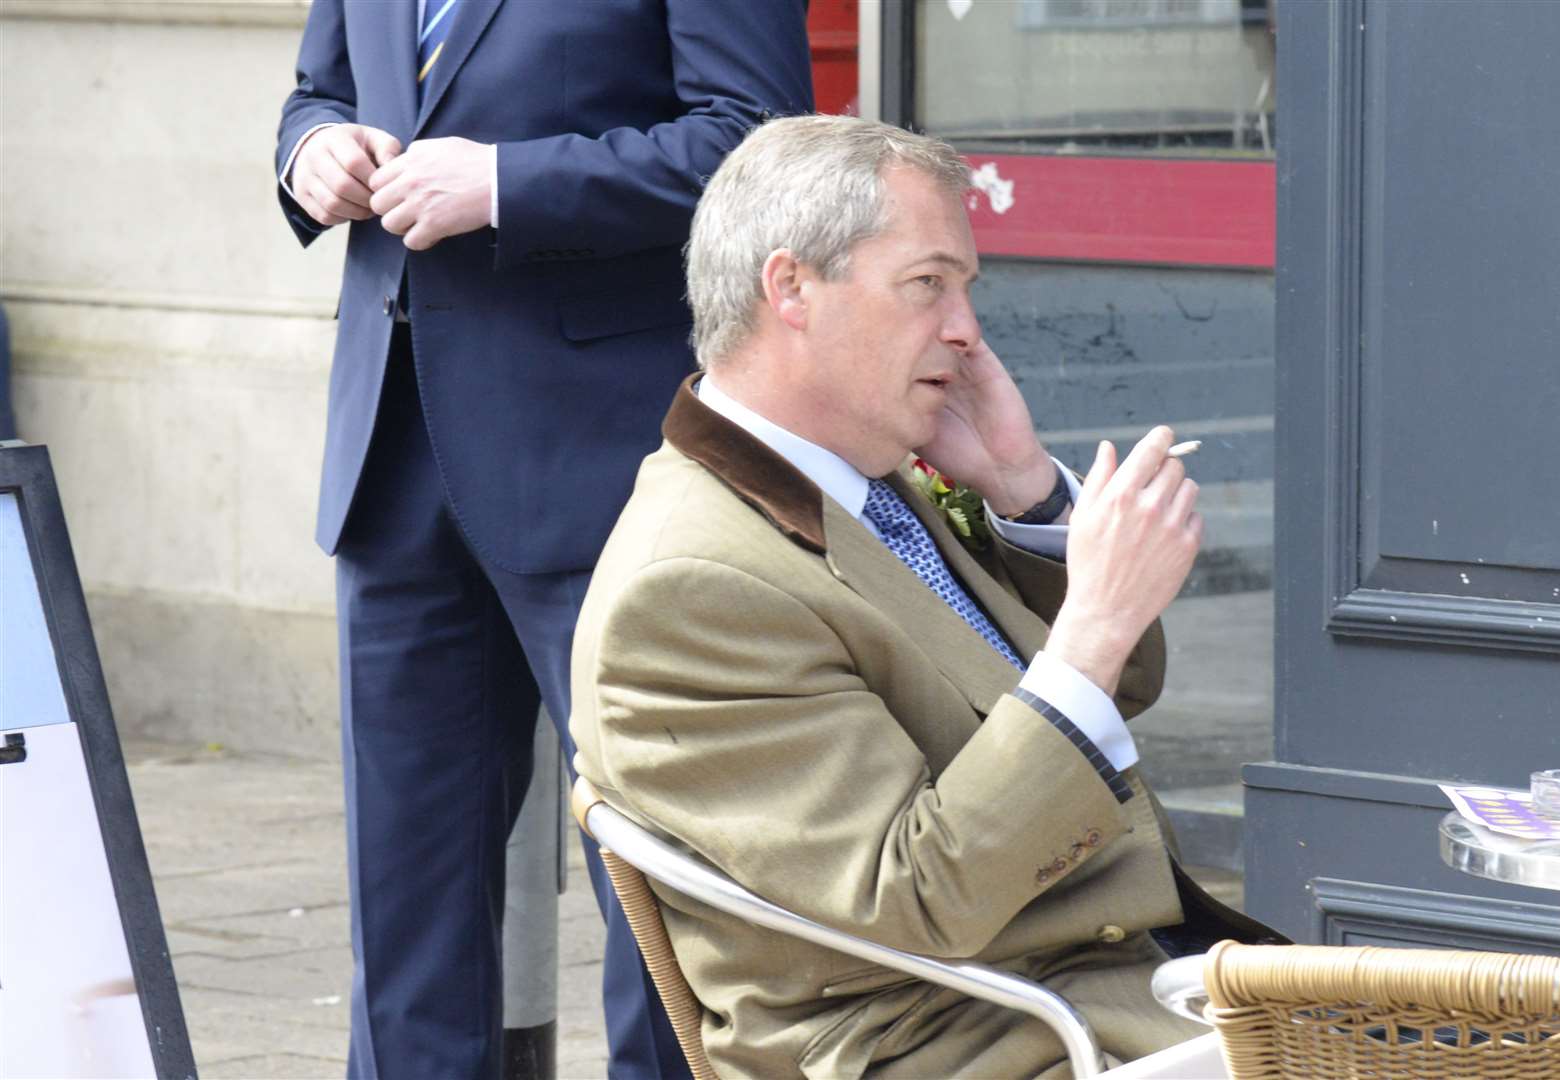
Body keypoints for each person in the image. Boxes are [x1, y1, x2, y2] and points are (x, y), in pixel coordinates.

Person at [570, 115, 1283, 1077]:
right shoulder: (691, 587)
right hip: (965, 1039)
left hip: (1079, 989)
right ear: (792, 289)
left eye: (964, 289)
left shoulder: (850, 481)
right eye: (927, 285)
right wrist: (1096, 621)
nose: (966, 329)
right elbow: (922, 894)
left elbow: (1119, 688)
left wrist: (1023, 488)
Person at [272, 4, 812, 1077]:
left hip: (607, 461)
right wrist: (311, 152)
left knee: (655, 872)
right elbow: (317, 91)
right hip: (392, 452)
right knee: (404, 886)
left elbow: (757, 146)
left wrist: (510, 186)